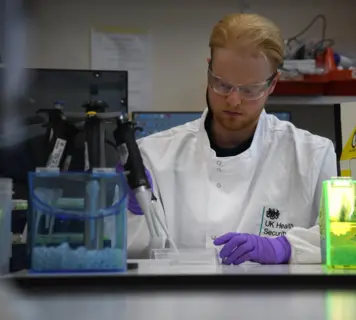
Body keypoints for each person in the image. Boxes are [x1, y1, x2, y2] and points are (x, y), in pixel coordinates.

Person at [125, 13, 337, 264]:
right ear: (208, 71)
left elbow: (343, 237)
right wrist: (127, 212)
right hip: (179, 302)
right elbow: (131, 253)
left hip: (276, 301)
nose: (234, 100)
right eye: (222, 85)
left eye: (250, 90)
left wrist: (288, 247)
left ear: (272, 84)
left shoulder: (312, 155)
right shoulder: (152, 156)